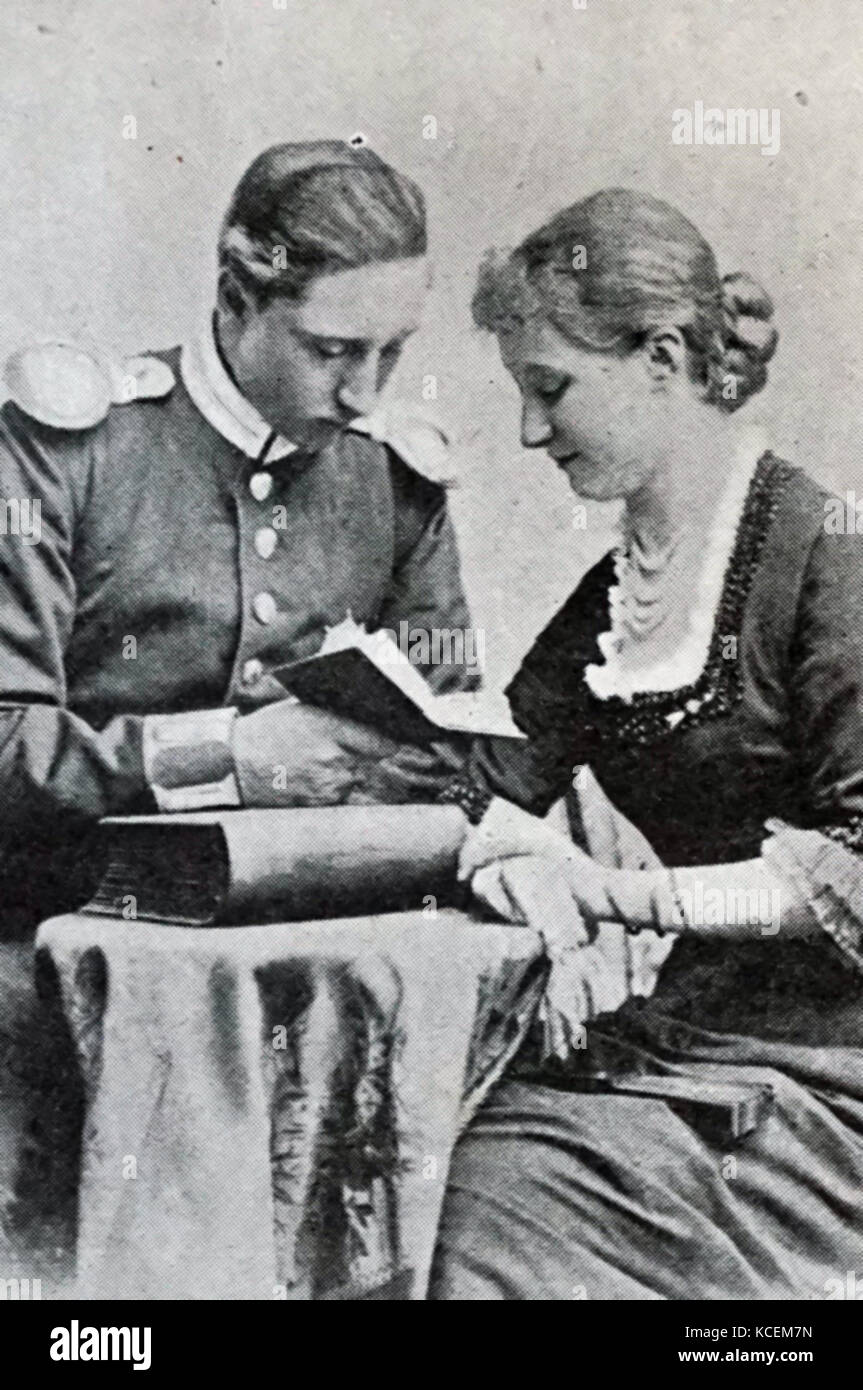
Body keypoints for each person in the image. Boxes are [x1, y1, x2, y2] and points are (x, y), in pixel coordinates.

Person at [0, 139, 476, 1246]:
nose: (363, 395)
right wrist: (229, 755)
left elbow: (451, 738)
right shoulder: (66, 452)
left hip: (311, 980)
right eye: (331, 350)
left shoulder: (395, 482)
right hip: (49, 959)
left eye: (393, 354)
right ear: (235, 297)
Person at [431, 188, 863, 1300]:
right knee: (431, 1179)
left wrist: (619, 898)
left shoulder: (830, 560)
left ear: (660, 356)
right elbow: (481, 783)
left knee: (489, 1222)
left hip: (827, 1081)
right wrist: (508, 862)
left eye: (550, 387)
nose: (530, 431)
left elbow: (855, 880)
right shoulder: (612, 600)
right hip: (676, 1043)